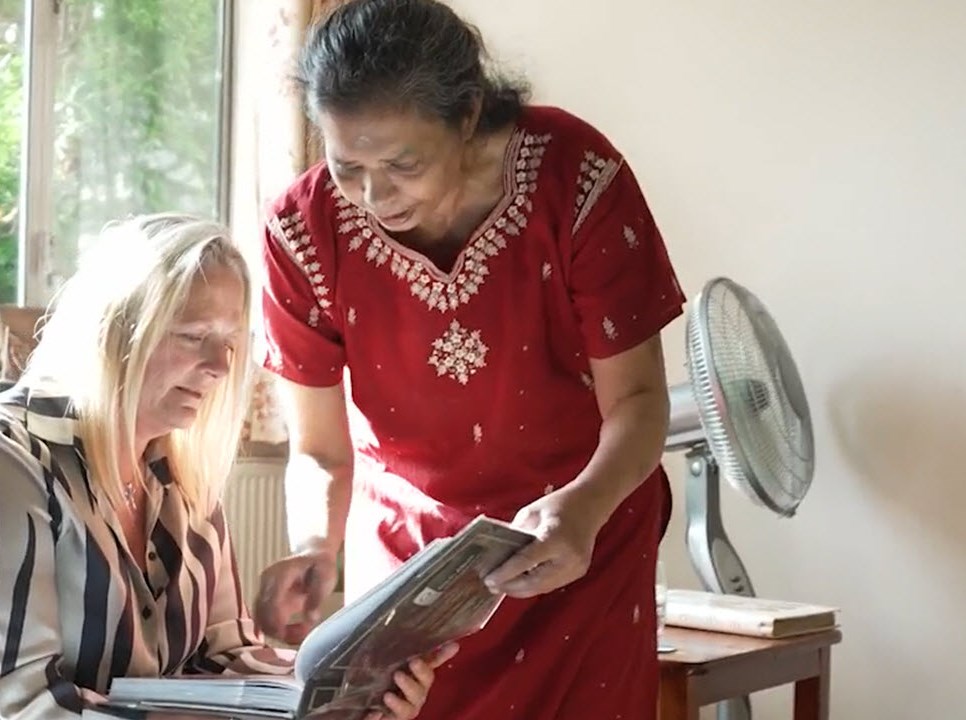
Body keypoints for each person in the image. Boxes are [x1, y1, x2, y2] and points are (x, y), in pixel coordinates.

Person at [254, 0, 688, 718]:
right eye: (347, 165)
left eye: (403, 164)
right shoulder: (302, 231)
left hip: (578, 540)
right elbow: (321, 450)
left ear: (468, 115)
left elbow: (640, 402)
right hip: (415, 574)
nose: (372, 195)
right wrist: (313, 545)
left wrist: (583, 510)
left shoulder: (576, 180)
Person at [0, 214, 450, 720]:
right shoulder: (15, 462)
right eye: (193, 336)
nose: (219, 366)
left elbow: (223, 657)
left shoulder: (183, 481)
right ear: (114, 330)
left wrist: (352, 688)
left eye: (231, 341)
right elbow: (19, 703)